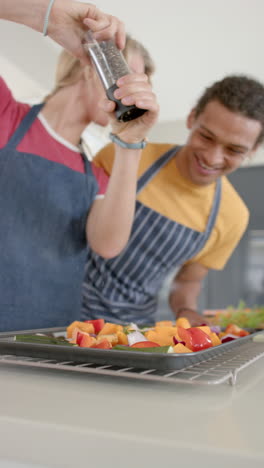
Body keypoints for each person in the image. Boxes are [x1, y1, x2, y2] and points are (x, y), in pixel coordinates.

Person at [0, 0, 159, 331]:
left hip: (52, 341)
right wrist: (48, 15)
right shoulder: (6, 115)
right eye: (127, 76)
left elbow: (108, 245)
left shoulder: (97, 174)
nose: (135, 93)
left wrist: (130, 141)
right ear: (91, 65)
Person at [82, 74, 264, 326]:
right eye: (206, 137)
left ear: (252, 150)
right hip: (60, 310)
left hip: (130, 331)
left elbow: (188, 281)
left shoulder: (232, 216)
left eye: (234, 150)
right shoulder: (121, 156)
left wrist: (186, 310)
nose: (213, 158)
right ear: (191, 118)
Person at [82, 33, 155, 159]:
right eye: (126, 74)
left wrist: (131, 139)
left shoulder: (104, 150)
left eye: (137, 83)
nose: (132, 91)